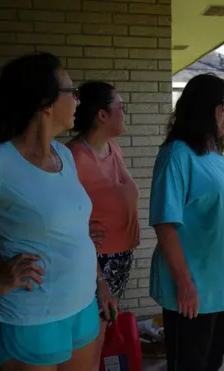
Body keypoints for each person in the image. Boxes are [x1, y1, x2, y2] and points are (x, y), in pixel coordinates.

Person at [0, 52, 116, 371]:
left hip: (82, 308)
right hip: (31, 318)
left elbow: (70, 229)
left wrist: (99, 280)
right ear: (46, 103)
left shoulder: (63, 155)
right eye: (72, 91)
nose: (78, 100)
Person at [148, 73, 224, 371]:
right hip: (194, 290)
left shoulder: (214, 153)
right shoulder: (177, 155)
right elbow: (165, 224)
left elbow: (217, 194)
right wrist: (184, 283)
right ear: (204, 107)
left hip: (222, 287)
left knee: (211, 364)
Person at [66, 81, 140, 370]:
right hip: (96, 261)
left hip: (120, 257)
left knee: (104, 329)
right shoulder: (73, 157)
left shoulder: (113, 149)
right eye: (120, 107)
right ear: (102, 115)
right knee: (91, 337)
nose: (125, 113)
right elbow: (64, 214)